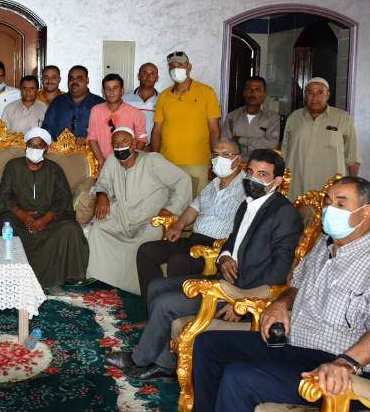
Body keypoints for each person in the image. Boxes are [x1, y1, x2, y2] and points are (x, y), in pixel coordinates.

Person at [192, 177, 370, 411]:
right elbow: (296, 285)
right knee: (208, 345)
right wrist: (280, 304)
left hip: (345, 365)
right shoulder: (324, 244)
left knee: (239, 377)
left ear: (366, 211)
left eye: (340, 204)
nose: (330, 210)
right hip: (296, 347)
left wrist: (346, 362)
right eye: (328, 202)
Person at [105, 149, 302, 381]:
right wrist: (224, 257)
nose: (253, 179)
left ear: (277, 181)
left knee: (166, 304)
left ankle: (139, 359)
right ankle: (164, 361)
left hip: (244, 291)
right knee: (157, 286)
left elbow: (279, 271)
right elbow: (232, 241)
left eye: (262, 174)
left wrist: (242, 301)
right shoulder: (247, 204)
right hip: (226, 279)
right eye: (250, 172)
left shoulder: (284, 213)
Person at [86, 128, 192, 295]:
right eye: (116, 143)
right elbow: (103, 183)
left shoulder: (152, 161)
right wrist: (102, 195)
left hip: (150, 220)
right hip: (123, 217)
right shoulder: (112, 160)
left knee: (142, 244)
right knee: (98, 230)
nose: (120, 146)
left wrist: (170, 209)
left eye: (125, 142)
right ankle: (100, 282)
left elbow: (182, 181)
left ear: (134, 144)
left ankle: (133, 291)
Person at [135, 139, 245, 297]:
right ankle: (152, 302)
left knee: (178, 260)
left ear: (238, 159)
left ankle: (172, 307)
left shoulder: (246, 189)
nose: (219, 159)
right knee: (147, 251)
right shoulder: (213, 184)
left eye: (226, 154)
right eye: (215, 154)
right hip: (194, 240)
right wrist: (179, 225)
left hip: (216, 248)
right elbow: (194, 208)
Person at [0, 127, 89, 290]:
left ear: (46, 149)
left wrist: (46, 219)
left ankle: (72, 282)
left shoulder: (55, 169)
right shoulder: (13, 166)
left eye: (39, 146)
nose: (35, 149)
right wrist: (22, 215)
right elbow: (4, 195)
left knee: (71, 229)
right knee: (4, 224)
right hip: (19, 219)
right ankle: (9, 281)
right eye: (32, 145)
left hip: (49, 220)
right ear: (26, 146)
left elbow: (63, 199)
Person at [151, 51, 221, 197]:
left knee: (196, 203)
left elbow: (214, 130)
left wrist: (215, 160)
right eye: (172, 66)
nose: (175, 69)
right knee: (170, 203)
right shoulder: (164, 96)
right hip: (168, 162)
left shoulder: (206, 92)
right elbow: (156, 130)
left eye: (180, 65)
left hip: (197, 162)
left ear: (189, 67)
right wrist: (155, 158)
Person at [282, 77, 359, 201]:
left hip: (330, 190)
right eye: (310, 92)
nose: (315, 97)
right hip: (296, 188)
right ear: (305, 95)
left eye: (320, 93)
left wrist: (353, 188)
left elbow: (353, 157)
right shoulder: (294, 118)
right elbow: (284, 153)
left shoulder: (343, 118)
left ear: (327, 95)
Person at [87, 73, 147, 166]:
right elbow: (92, 138)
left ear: (122, 91)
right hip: (103, 163)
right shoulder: (96, 110)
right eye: (108, 88)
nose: (111, 92)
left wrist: (129, 161)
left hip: (128, 164)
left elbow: (142, 140)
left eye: (115, 88)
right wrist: (101, 161)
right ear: (103, 91)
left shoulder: (136, 113)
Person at [41, 65, 104, 141]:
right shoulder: (58, 102)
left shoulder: (99, 104)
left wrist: (89, 139)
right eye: (71, 78)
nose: (74, 81)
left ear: (87, 80)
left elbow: (106, 133)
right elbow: (46, 130)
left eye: (79, 78)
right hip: (59, 148)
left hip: (91, 148)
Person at [222, 76, 280, 158]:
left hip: (260, 164)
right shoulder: (232, 117)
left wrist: (241, 140)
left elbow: (272, 144)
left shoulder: (272, 118)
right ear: (244, 93)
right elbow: (225, 143)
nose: (252, 93)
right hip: (236, 163)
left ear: (264, 95)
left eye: (257, 90)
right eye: (249, 89)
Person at [124, 62, 160, 145]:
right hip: (129, 147)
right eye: (144, 73)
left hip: (153, 147)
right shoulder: (125, 98)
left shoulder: (162, 99)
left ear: (157, 78)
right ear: (138, 76)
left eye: (152, 74)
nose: (148, 76)